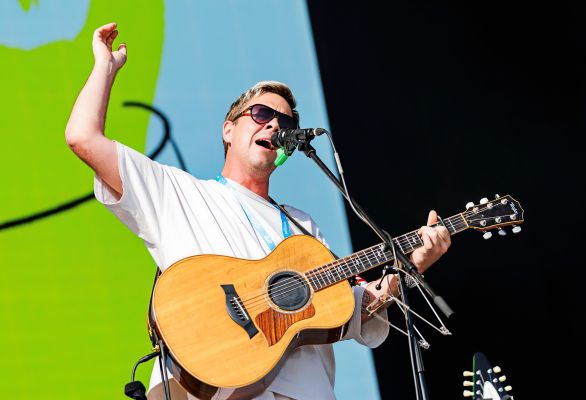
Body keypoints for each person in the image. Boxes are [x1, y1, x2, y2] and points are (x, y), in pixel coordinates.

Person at [65, 23, 451, 400]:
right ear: (228, 130)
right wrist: (105, 68)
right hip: (217, 385)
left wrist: (409, 268)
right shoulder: (177, 192)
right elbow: (83, 137)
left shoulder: (303, 226)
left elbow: (355, 309)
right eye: (262, 114)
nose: (275, 125)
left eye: (287, 122)